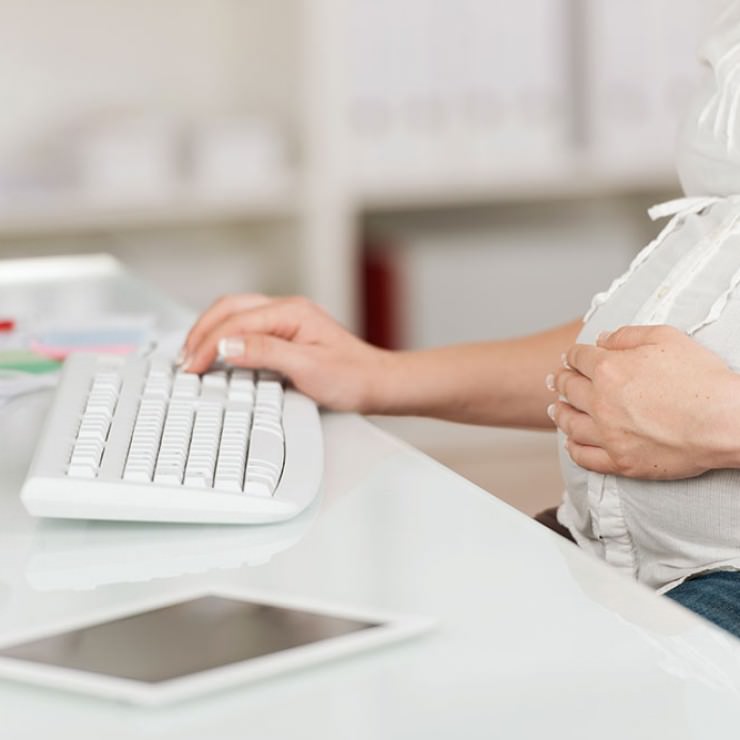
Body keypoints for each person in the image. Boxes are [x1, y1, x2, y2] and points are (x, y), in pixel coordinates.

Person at [178, 4, 740, 636]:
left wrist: (718, 421)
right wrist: (379, 376)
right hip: (615, 551)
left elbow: (701, 399)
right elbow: (648, 369)